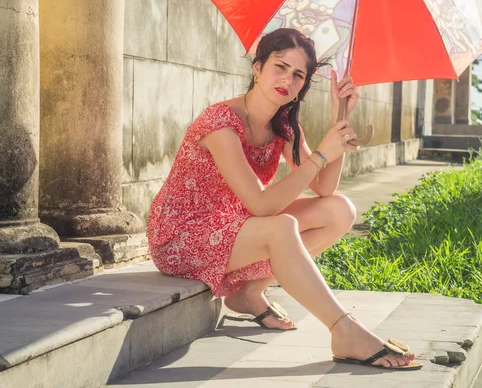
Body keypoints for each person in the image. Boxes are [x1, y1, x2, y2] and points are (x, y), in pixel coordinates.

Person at [147, 28, 420, 370]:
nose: (287, 80)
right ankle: (343, 328)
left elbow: (323, 189)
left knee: (339, 210)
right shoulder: (220, 123)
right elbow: (262, 206)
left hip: (235, 227)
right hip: (182, 236)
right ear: (257, 68)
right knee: (281, 227)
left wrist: (340, 118)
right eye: (280, 67)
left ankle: (247, 293)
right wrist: (321, 155)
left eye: (298, 75)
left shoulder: (284, 127)